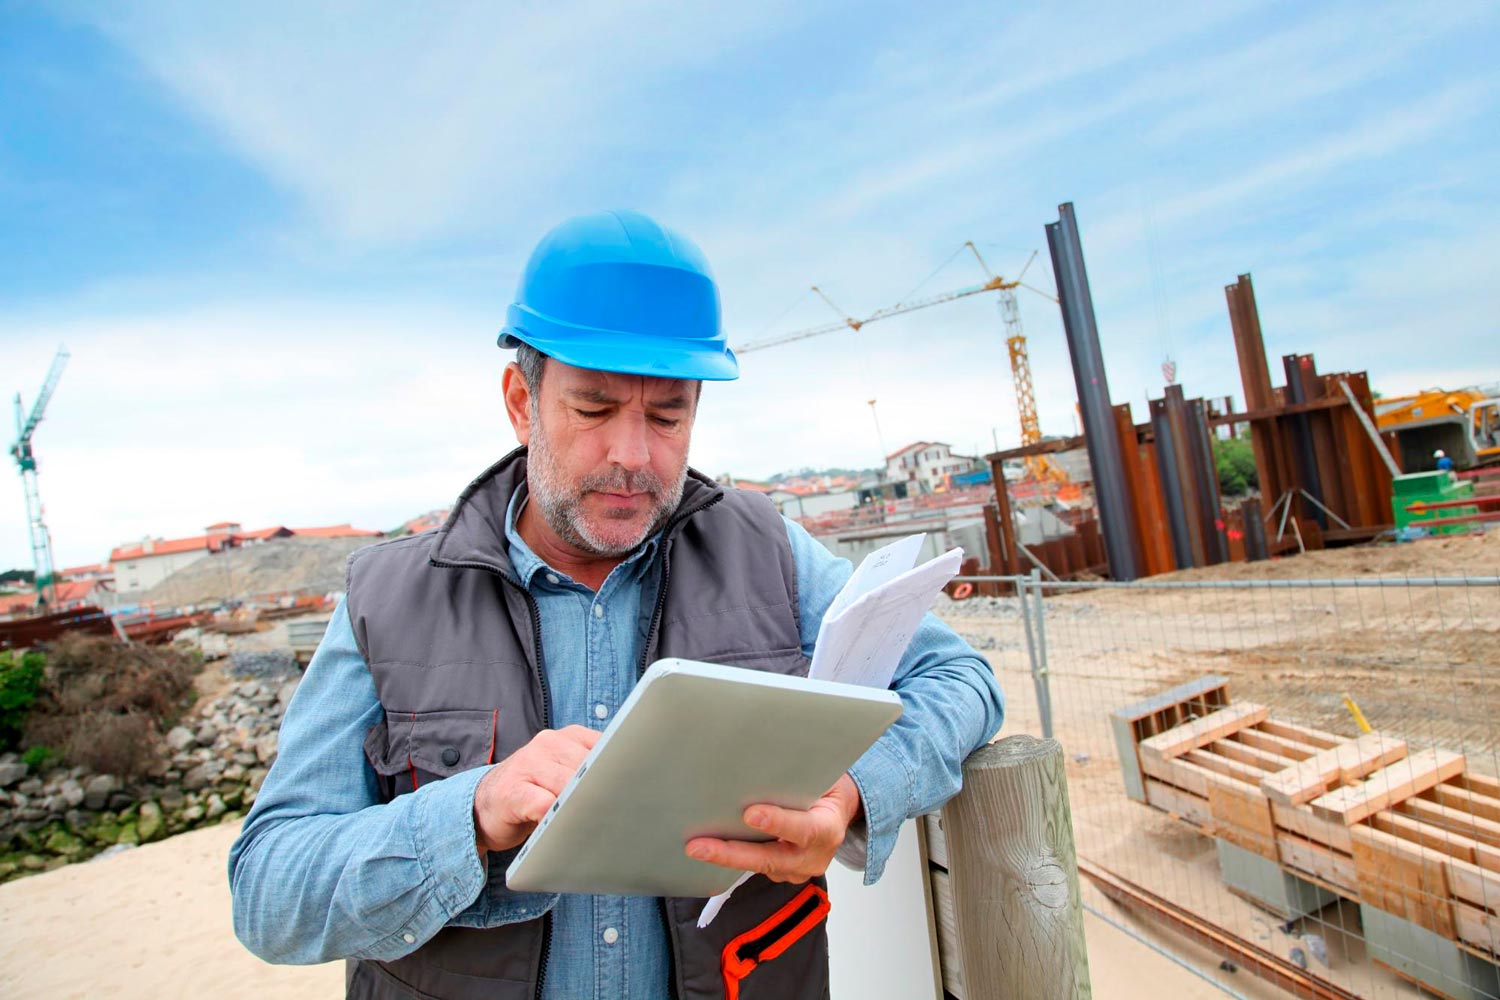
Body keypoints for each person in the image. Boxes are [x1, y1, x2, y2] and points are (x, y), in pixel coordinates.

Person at [228, 210, 1004, 1000]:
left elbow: (960, 679)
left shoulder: (769, 549)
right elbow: (267, 891)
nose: (633, 456)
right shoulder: (383, 598)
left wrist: (850, 791)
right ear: (521, 401)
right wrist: (471, 812)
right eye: (594, 409)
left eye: (667, 416)